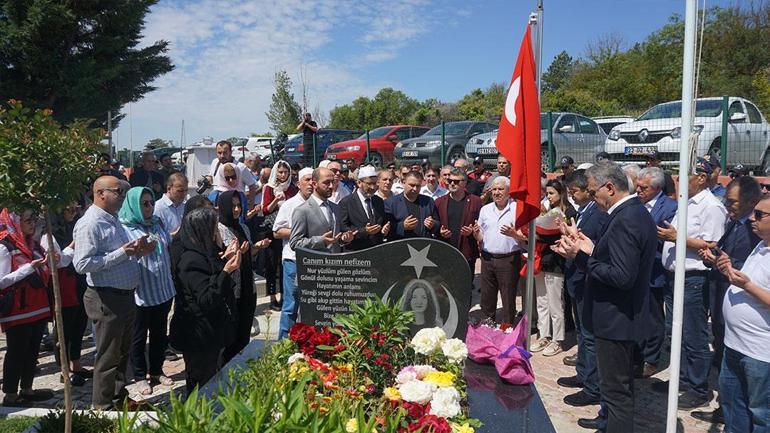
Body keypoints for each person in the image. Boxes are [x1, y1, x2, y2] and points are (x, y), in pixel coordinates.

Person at [552, 161, 657, 433]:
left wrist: (582, 257)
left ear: (609, 187)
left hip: (616, 319)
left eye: (592, 190)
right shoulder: (630, 212)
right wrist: (590, 247)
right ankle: (605, 424)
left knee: (616, 391)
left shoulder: (628, 218)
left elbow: (622, 276)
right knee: (615, 388)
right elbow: (618, 258)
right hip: (615, 317)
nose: (591, 195)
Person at [73, 176, 156, 410]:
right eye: (118, 192)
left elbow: (119, 255)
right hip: (106, 298)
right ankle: (102, 406)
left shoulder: (112, 219)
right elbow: (82, 264)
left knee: (121, 352)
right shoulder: (90, 223)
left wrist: (138, 251)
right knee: (108, 355)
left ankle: (118, 396)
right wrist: (122, 253)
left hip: (124, 296)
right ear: (100, 193)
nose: (122, 196)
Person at [656, 158, 727, 409]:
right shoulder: (686, 203)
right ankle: (682, 379)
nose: (679, 180)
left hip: (694, 279)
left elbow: (715, 245)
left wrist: (678, 237)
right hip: (674, 278)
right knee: (677, 332)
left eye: (686, 175)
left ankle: (698, 388)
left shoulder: (712, 206)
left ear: (701, 178)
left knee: (694, 335)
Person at [692, 176, 761, 425]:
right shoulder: (735, 223)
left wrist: (725, 263)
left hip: (742, 308)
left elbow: (746, 268)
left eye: (732, 201)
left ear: (751, 201)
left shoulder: (754, 232)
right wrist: (713, 257)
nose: (727, 206)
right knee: (723, 356)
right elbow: (727, 255)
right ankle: (728, 410)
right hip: (722, 299)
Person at [714, 196, 770, 433]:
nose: (751, 219)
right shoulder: (760, 245)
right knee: (733, 405)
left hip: (760, 352)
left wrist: (747, 286)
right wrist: (730, 268)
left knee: (761, 414)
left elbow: (753, 287)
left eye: (759, 215)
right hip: (735, 344)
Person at [169, 208, 240, 393]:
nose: (216, 232)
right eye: (213, 228)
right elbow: (206, 298)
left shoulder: (202, 253)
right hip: (198, 335)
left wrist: (225, 257)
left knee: (210, 377)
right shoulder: (191, 260)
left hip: (210, 333)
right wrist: (227, 271)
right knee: (201, 382)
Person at [556, 170, 608, 408]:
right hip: (577, 277)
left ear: (587, 190)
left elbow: (595, 246)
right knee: (582, 332)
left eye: (575, 192)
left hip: (588, 279)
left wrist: (576, 241)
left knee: (588, 335)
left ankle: (592, 386)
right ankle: (583, 373)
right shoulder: (583, 211)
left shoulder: (597, 214)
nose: (572, 196)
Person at [119, 187, 176, 396]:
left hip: (162, 289)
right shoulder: (125, 227)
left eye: (151, 202)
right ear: (134, 204)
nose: (150, 207)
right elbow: (124, 257)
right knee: (138, 336)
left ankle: (156, 369)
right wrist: (140, 251)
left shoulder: (157, 224)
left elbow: (167, 245)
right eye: (144, 204)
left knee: (160, 333)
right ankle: (140, 376)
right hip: (141, 292)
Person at [0, 209, 60, 406]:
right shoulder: (5, 247)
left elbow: (43, 270)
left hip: (38, 307)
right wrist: (29, 268)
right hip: (18, 311)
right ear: (16, 222)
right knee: (17, 352)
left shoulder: (33, 244)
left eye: (34, 219)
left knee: (32, 351)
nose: (33, 223)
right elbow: (2, 282)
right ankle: (10, 394)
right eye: (28, 220)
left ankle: (27, 389)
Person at [634, 167, 677, 378]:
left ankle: (652, 359)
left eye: (643, 188)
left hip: (655, 272)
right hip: (635, 270)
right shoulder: (635, 202)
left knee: (654, 317)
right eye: (637, 186)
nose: (638, 190)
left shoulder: (669, 208)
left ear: (657, 188)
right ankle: (637, 354)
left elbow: (667, 239)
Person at [217, 190, 270, 362]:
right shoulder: (219, 229)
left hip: (247, 285)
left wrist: (258, 247)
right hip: (232, 289)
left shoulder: (243, 227)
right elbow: (220, 259)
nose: (236, 210)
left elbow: (249, 252)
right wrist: (237, 252)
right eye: (232, 206)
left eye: (239, 205)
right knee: (231, 335)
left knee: (244, 332)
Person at [531, 179, 576, 357]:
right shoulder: (546, 210)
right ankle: (544, 334)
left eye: (551, 193)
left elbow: (571, 235)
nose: (548, 197)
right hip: (542, 259)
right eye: (547, 193)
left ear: (561, 193)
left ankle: (558, 339)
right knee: (542, 300)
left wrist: (559, 230)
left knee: (556, 302)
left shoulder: (569, 212)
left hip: (557, 261)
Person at [51, 203, 92, 386]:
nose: (73, 212)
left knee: (79, 323)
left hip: (79, 278)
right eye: (69, 209)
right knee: (64, 326)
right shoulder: (52, 232)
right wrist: (74, 244)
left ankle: (76, 363)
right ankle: (64, 368)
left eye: (76, 209)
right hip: (63, 282)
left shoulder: (77, 226)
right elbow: (59, 260)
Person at [472, 176, 522, 324]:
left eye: (500, 189)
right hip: (487, 258)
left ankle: (507, 328)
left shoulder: (516, 209)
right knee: (487, 296)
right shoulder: (485, 210)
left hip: (509, 259)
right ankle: (488, 326)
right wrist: (476, 234)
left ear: (508, 191)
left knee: (508, 296)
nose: (496, 192)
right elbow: (481, 236)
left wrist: (514, 234)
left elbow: (525, 236)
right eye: (494, 189)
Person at [274, 168, 314, 339]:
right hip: (293, 260)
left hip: (314, 260)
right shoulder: (289, 205)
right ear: (298, 184)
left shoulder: (318, 204)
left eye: (313, 180)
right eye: (307, 180)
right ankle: (283, 341)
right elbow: (276, 231)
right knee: (291, 304)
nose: (310, 184)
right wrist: (299, 232)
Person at [289, 167, 355, 254]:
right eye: (326, 183)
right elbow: (295, 243)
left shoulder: (335, 207)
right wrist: (320, 241)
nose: (331, 186)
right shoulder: (302, 210)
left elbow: (335, 239)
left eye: (332, 182)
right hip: (315, 264)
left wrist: (343, 239)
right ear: (314, 184)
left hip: (336, 263)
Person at [261, 160, 298, 311]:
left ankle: (284, 295)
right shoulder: (269, 188)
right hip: (273, 230)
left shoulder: (293, 188)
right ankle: (272, 297)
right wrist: (277, 199)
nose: (283, 175)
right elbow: (265, 210)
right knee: (272, 264)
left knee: (284, 265)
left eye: (285, 172)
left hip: (288, 230)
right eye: (280, 172)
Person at [435, 169, 482, 286]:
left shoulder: (476, 201)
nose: (451, 184)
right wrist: (440, 231)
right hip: (446, 250)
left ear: (464, 183)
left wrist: (472, 231)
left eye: (456, 182)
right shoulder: (439, 202)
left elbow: (482, 224)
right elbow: (435, 224)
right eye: (449, 180)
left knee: (465, 285)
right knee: (446, 285)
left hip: (467, 250)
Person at [340, 166, 390, 251]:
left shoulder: (378, 201)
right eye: (369, 184)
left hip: (377, 250)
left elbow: (383, 222)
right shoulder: (347, 202)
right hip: (356, 252)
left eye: (375, 183)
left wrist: (385, 229)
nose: (373, 187)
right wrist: (364, 231)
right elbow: (343, 227)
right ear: (359, 183)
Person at [385, 171, 440, 240]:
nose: (415, 189)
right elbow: (386, 228)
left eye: (418, 186)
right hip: (400, 245)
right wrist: (403, 226)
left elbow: (438, 223)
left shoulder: (428, 201)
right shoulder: (391, 203)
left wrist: (433, 224)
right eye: (412, 185)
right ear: (404, 183)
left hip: (423, 245)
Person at [207, 140, 257, 209]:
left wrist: (251, 206)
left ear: (231, 152)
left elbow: (252, 186)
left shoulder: (241, 167)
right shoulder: (215, 162)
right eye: (219, 153)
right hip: (217, 204)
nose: (222, 156)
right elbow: (211, 177)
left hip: (235, 207)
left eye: (225, 153)